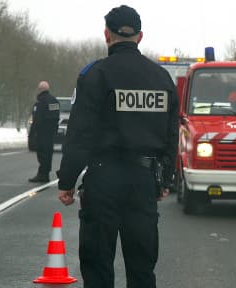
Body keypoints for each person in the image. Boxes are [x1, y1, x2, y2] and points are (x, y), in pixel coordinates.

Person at [56, 5, 179, 287]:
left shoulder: (96, 74)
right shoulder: (161, 78)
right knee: (142, 267)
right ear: (140, 36)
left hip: (104, 179)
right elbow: (172, 133)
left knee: (98, 264)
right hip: (144, 181)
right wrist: (165, 180)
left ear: (106, 35)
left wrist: (67, 180)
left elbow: (80, 132)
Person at [28, 81, 60, 183]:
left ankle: (43, 174)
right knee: (48, 153)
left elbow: (37, 119)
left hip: (41, 132)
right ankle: (44, 173)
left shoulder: (40, 102)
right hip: (50, 132)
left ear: (40, 89)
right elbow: (55, 117)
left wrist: (33, 132)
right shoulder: (54, 101)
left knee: (42, 153)